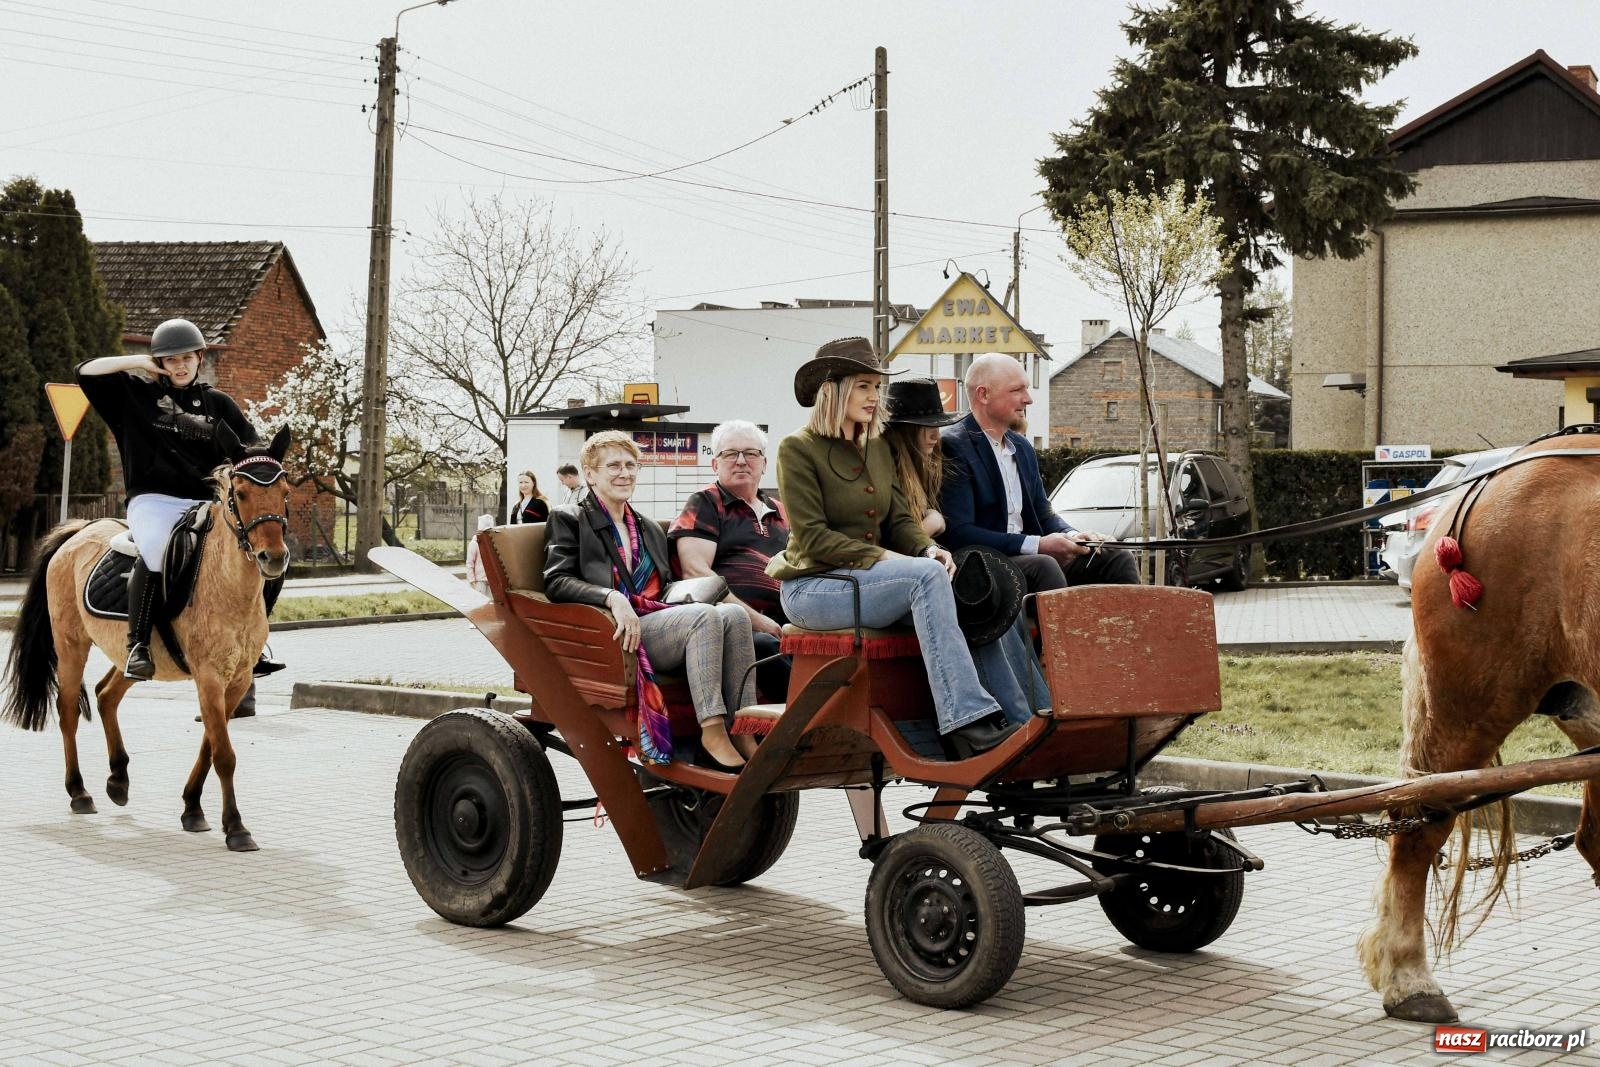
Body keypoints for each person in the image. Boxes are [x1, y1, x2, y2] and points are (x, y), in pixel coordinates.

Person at [766, 337, 1019, 759]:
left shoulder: (878, 446)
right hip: (814, 588)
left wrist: (926, 549)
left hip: (875, 585)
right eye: (864, 386)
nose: (874, 397)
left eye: (877, 387)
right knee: (926, 579)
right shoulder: (798, 449)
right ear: (834, 388)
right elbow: (813, 538)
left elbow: (900, 520)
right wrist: (893, 558)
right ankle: (965, 722)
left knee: (972, 593)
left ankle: (1016, 719)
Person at [77, 318, 285, 682]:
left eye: (186, 358)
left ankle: (253, 643)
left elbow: (250, 452)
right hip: (153, 500)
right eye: (170, 360)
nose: (179, 365)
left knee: (266, 553)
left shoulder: (219, 403)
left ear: (199, 358)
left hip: (207, 503)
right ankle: (138, 645)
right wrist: (137, 363)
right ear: (160, 362)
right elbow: (86, 372)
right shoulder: (135, 396)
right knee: (156, 548)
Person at [545, 430, 756, 771]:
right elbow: (556, 581)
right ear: (590, 473)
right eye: (613, 465)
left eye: (631, 465)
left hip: (656, 618)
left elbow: (666, 584)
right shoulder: (569, 518)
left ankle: (744, 728)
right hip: (616, 632)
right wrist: (612, 597)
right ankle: (712, 729)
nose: (624, 473)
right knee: (706, 617)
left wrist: (694, 593)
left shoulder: (648, 527)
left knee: (733, 614)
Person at [885, 378, 1048, 725]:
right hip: (903, 575)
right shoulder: (887, 470)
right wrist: (932, 522)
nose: (934, 436)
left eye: (937, 428)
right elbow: (897, 535)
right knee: (981, 603)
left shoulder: (927, 467)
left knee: (1003, 598)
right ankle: (1018, 720)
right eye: (924, 429)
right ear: (902, 433)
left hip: (929, 566)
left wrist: (932, 522)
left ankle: (1041, 710)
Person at [941, 353, 1141, 593]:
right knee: (1044, 565)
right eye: (1017, 390)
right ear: (983, 394)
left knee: (1117, 557)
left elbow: (1044, 515)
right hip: (983, 564)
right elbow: (959, 533)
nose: (1028, 399)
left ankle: (1124, 631)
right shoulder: (952, 446)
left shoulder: (1022, 447)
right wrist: (1037, 545)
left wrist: (1076, 536)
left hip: (1031, 560)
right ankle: (1060, 632)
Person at [669, 419, 791, 701]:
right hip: (730, 625)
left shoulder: (781, 511)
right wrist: (759, 621)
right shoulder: (706, 503)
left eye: (750, 453)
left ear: (763, 463)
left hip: (785, 619)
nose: (740, 461)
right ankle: (796, 735)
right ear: (715, 464)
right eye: (729, 454)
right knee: (766, 649)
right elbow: (695, 573)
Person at [465, 513, 494, 595]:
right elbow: (470, 563)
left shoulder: (492, 543)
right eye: (485, 531)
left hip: (491, 581)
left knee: (490, 605)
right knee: (480, 604)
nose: (487, 533)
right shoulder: (474, 544)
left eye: (489, 531)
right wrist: (472, 581)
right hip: (479, 582)